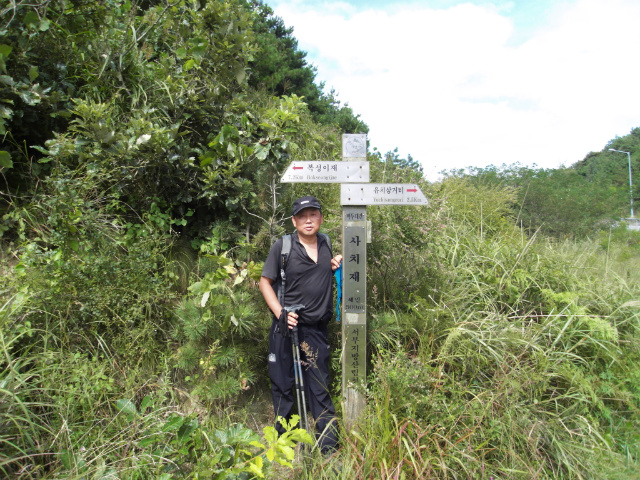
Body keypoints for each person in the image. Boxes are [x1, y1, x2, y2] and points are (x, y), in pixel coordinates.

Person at [259, 196, 342, 454]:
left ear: (321, 218)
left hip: (316, 330)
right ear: (294, 221)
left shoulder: (326, 243)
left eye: (313, 214)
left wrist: (333, 265)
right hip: (287, 327)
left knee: (319, 386)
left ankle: (329, 449)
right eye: (303, 216)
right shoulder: (282, 247)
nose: (308, 220)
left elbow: (318, 273)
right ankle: (283, 446)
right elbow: (265, 282)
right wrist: (281, 312)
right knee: (283, 386)